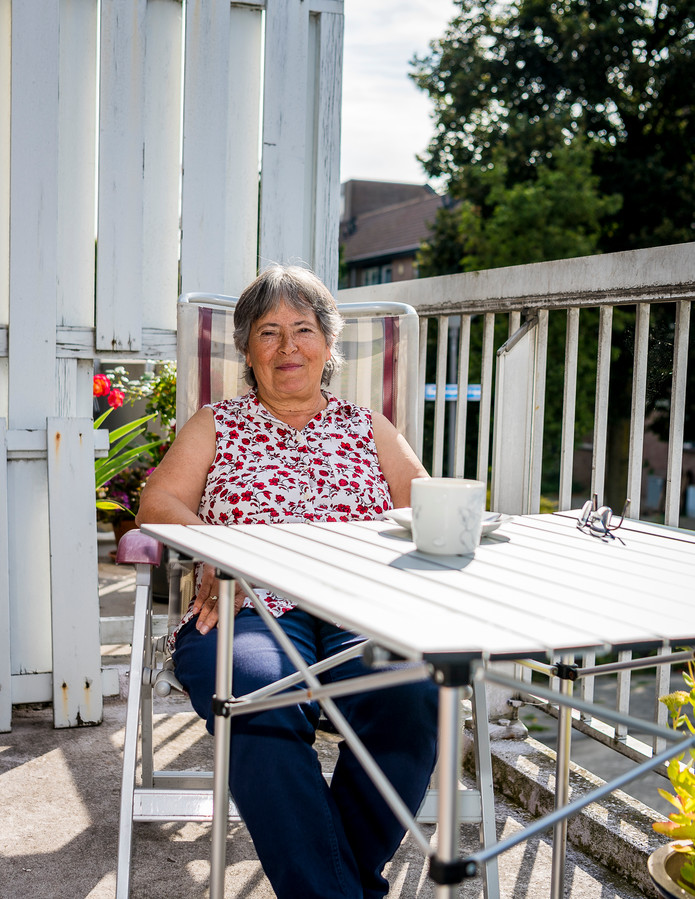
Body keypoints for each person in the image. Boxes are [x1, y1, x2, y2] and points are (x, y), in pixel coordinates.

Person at [136, 264, 438, 899]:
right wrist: (217, 556)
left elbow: (431, 510)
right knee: (254, 695)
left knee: (410, 699)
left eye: (303, 329)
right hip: (249, 607)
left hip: (363, 606)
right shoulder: (217, 423)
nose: (287, 346)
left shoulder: (368, 427)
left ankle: (331, 888)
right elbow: (159, 505)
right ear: (247, 349)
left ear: (328, 345)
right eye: (268, 332)